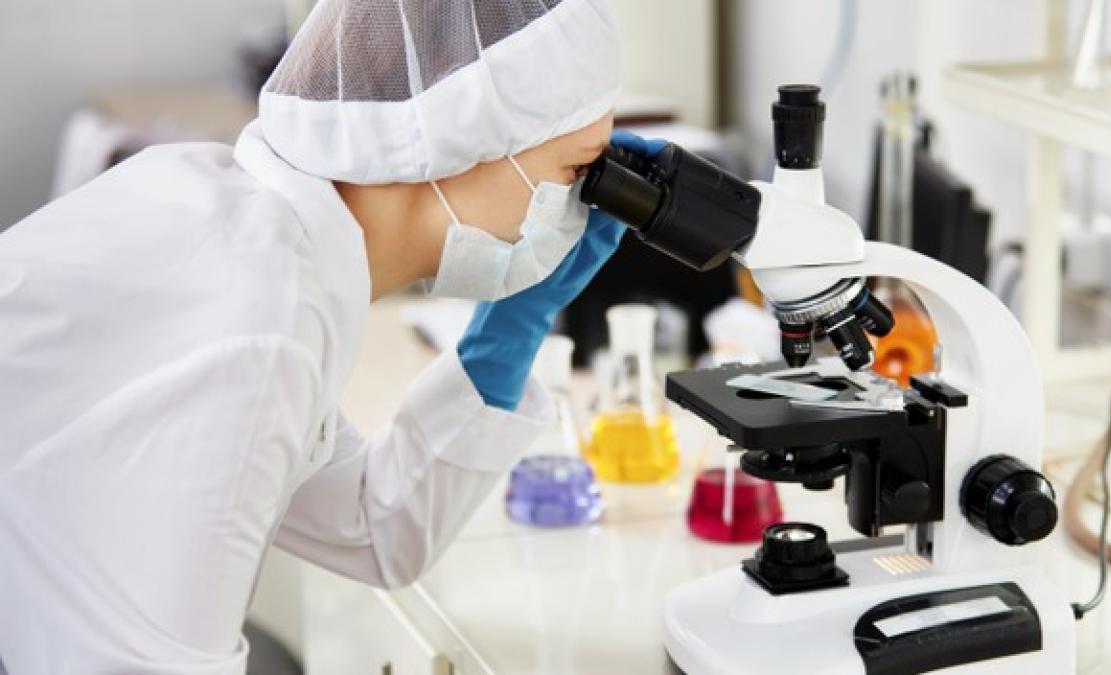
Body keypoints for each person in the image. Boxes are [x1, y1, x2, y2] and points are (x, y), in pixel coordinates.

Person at [0, 1, 664, 672]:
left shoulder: (262, 238)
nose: (580, 206)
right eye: (577, 172)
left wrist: (510, 334)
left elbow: (373, 529)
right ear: (462, 138)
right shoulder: (258, 325)